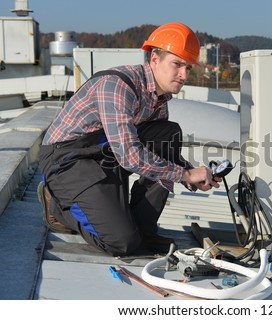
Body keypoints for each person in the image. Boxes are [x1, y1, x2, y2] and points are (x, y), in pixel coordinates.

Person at [38, 22, 220, 257]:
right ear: (155, 59)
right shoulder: (117, 86)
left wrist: (191, 174)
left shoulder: (159, 97)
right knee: (122, 243)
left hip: (104, 155)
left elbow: (154, 149)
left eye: (188, 67)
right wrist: (183, 174)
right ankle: (57, 205)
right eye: (177, 64)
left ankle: (143, 229)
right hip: (68, 161)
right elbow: (129, 155)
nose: (184, 75)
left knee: (167, 133)